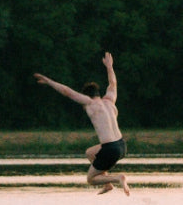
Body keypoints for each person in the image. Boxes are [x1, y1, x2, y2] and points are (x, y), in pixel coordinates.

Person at [33, 51, 130, 194]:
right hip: (122, 145)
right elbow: (113, 83)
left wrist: (48, 81)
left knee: (90, 179)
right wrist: (109, 67)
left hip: (110, 148)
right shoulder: (109, 101)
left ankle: (118, 179)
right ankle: (108, 184)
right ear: (98, 92)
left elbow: (67, 92)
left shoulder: (90, 103)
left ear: (87, 96)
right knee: (90, 153)